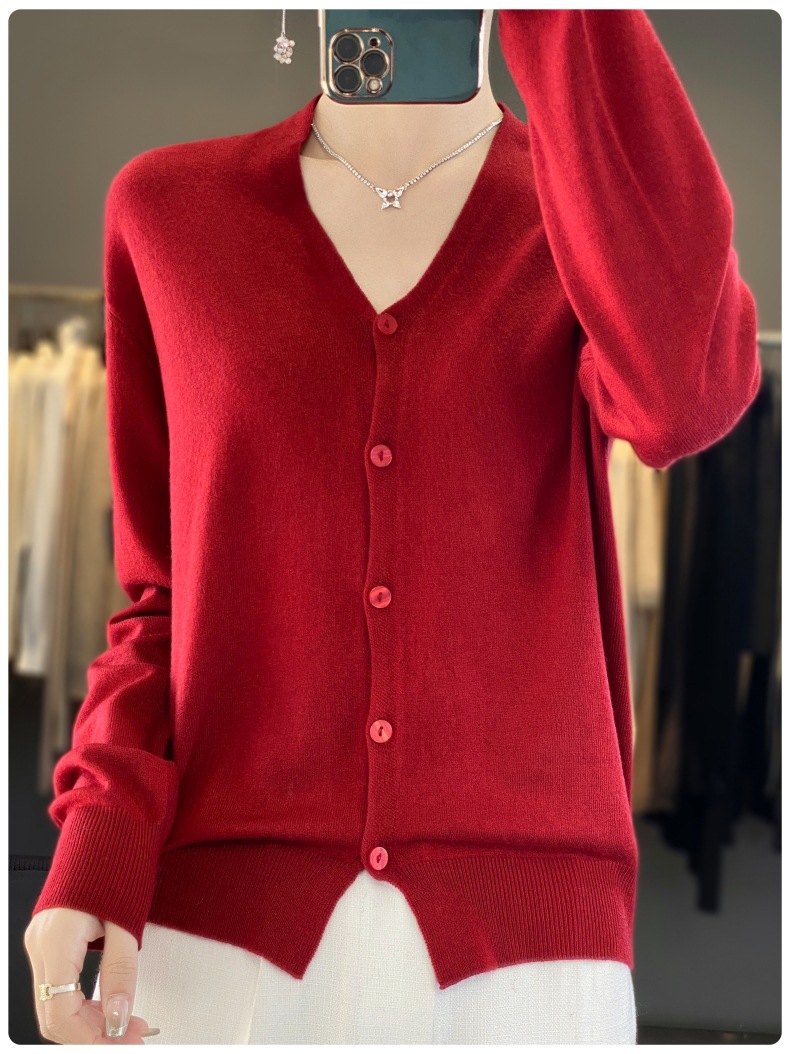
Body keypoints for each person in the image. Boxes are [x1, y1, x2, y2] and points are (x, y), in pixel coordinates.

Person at [24, 8, 760, 1044]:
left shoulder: (582, 223)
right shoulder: (171, 211)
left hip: (529, 966)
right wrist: (98, 834)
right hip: (218, 946)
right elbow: (162, 595)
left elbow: (688, 397)